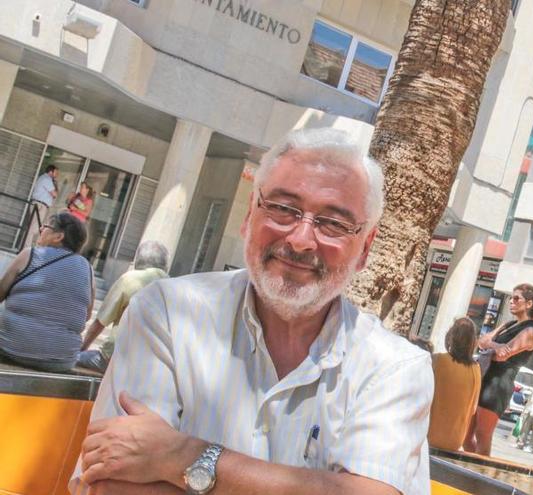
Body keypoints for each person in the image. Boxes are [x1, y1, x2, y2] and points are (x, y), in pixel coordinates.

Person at [69, 128, 433, 495]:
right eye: (283, 208)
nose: (300, 239)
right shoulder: (165, 312)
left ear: (365, 248)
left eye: (333, 223)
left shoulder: (394, 368)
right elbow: (113, 484)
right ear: (249, 215)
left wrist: (181, 455)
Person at [0, 212, 93, 372]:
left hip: (11, 349)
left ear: (58, 236)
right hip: (61, 361)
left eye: (46, 226)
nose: (41, 228)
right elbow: (87, 316)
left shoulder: (31, 254)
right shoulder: (88, 269)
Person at [464, 283, 533, 456]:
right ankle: (471, 470)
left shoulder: (531, 330)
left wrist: (491, 346)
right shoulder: (509, 324)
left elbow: (503, 355)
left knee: (482, 435)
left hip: (499, 384)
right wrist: (495, 345)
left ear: (529, 304)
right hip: (484, 378)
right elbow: (482, 341)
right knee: (465, 435)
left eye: (517, 298)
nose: (511, 301)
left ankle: (479, 477)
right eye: (511, 297)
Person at [76, 241, 170, 373]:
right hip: (150, 366)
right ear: (166, 263)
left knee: (74, 358)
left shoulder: (129, 279)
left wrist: (82, 348)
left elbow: (99, 323)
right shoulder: (172, 286)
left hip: (116, 360)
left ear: (139, 259)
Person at [428, 317, 481, 451]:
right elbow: (474, 408)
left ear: (450, 337)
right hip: (455, 441)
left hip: (427, 436)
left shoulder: (437, 360)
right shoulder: (476, 369)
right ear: (473, 342)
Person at [24, 165, 58, 246]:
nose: (57, 175)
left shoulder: (43, 178)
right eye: (56, 172)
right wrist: (55, 183)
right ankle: (26, 247)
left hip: (38, 204)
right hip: (40, 205)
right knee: (34, 228)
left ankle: (27, 246)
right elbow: (55, 194)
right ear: (51, 172)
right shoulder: (47, 179)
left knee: (34, 227)